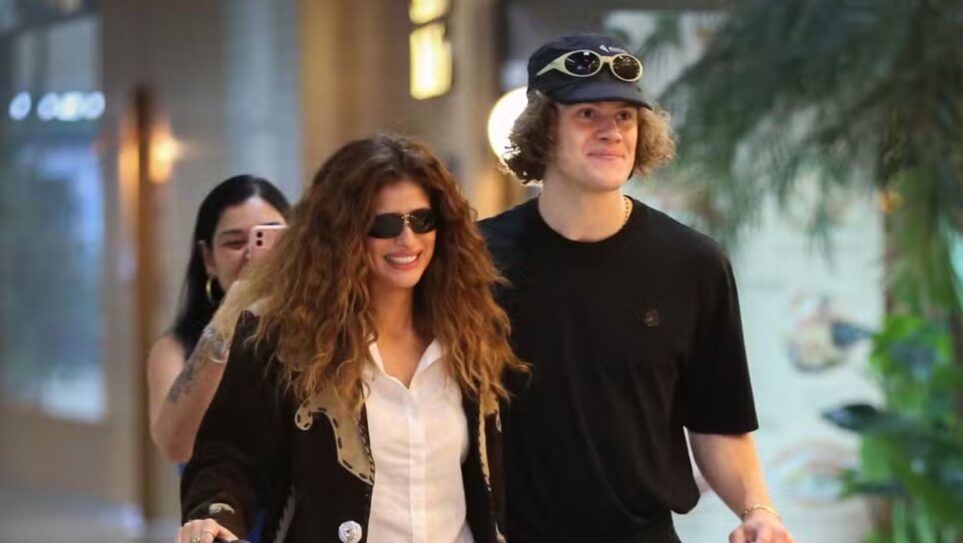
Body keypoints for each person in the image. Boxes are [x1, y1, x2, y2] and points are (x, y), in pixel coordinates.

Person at [479, 34, 796, 543]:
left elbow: (718, 422)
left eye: (625, 116)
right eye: (587, 114)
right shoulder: (476, 260)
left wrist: (758, 511)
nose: (611, 131)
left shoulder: (693, 264)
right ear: (542, 128)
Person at [176, 133, 525, 543]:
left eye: (422, 220)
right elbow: (229, 458)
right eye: (385, 224)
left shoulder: (471, 331)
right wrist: (214, 516)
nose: (407, 239)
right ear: (343, 234)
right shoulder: (283, 340)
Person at [147, 175, 291, 463]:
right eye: (235, 242)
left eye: (268, 239)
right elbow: (175, 446)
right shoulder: (174, 349)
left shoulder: (320, 334)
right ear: (209, 259)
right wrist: (228, 319)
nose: (251, 255)